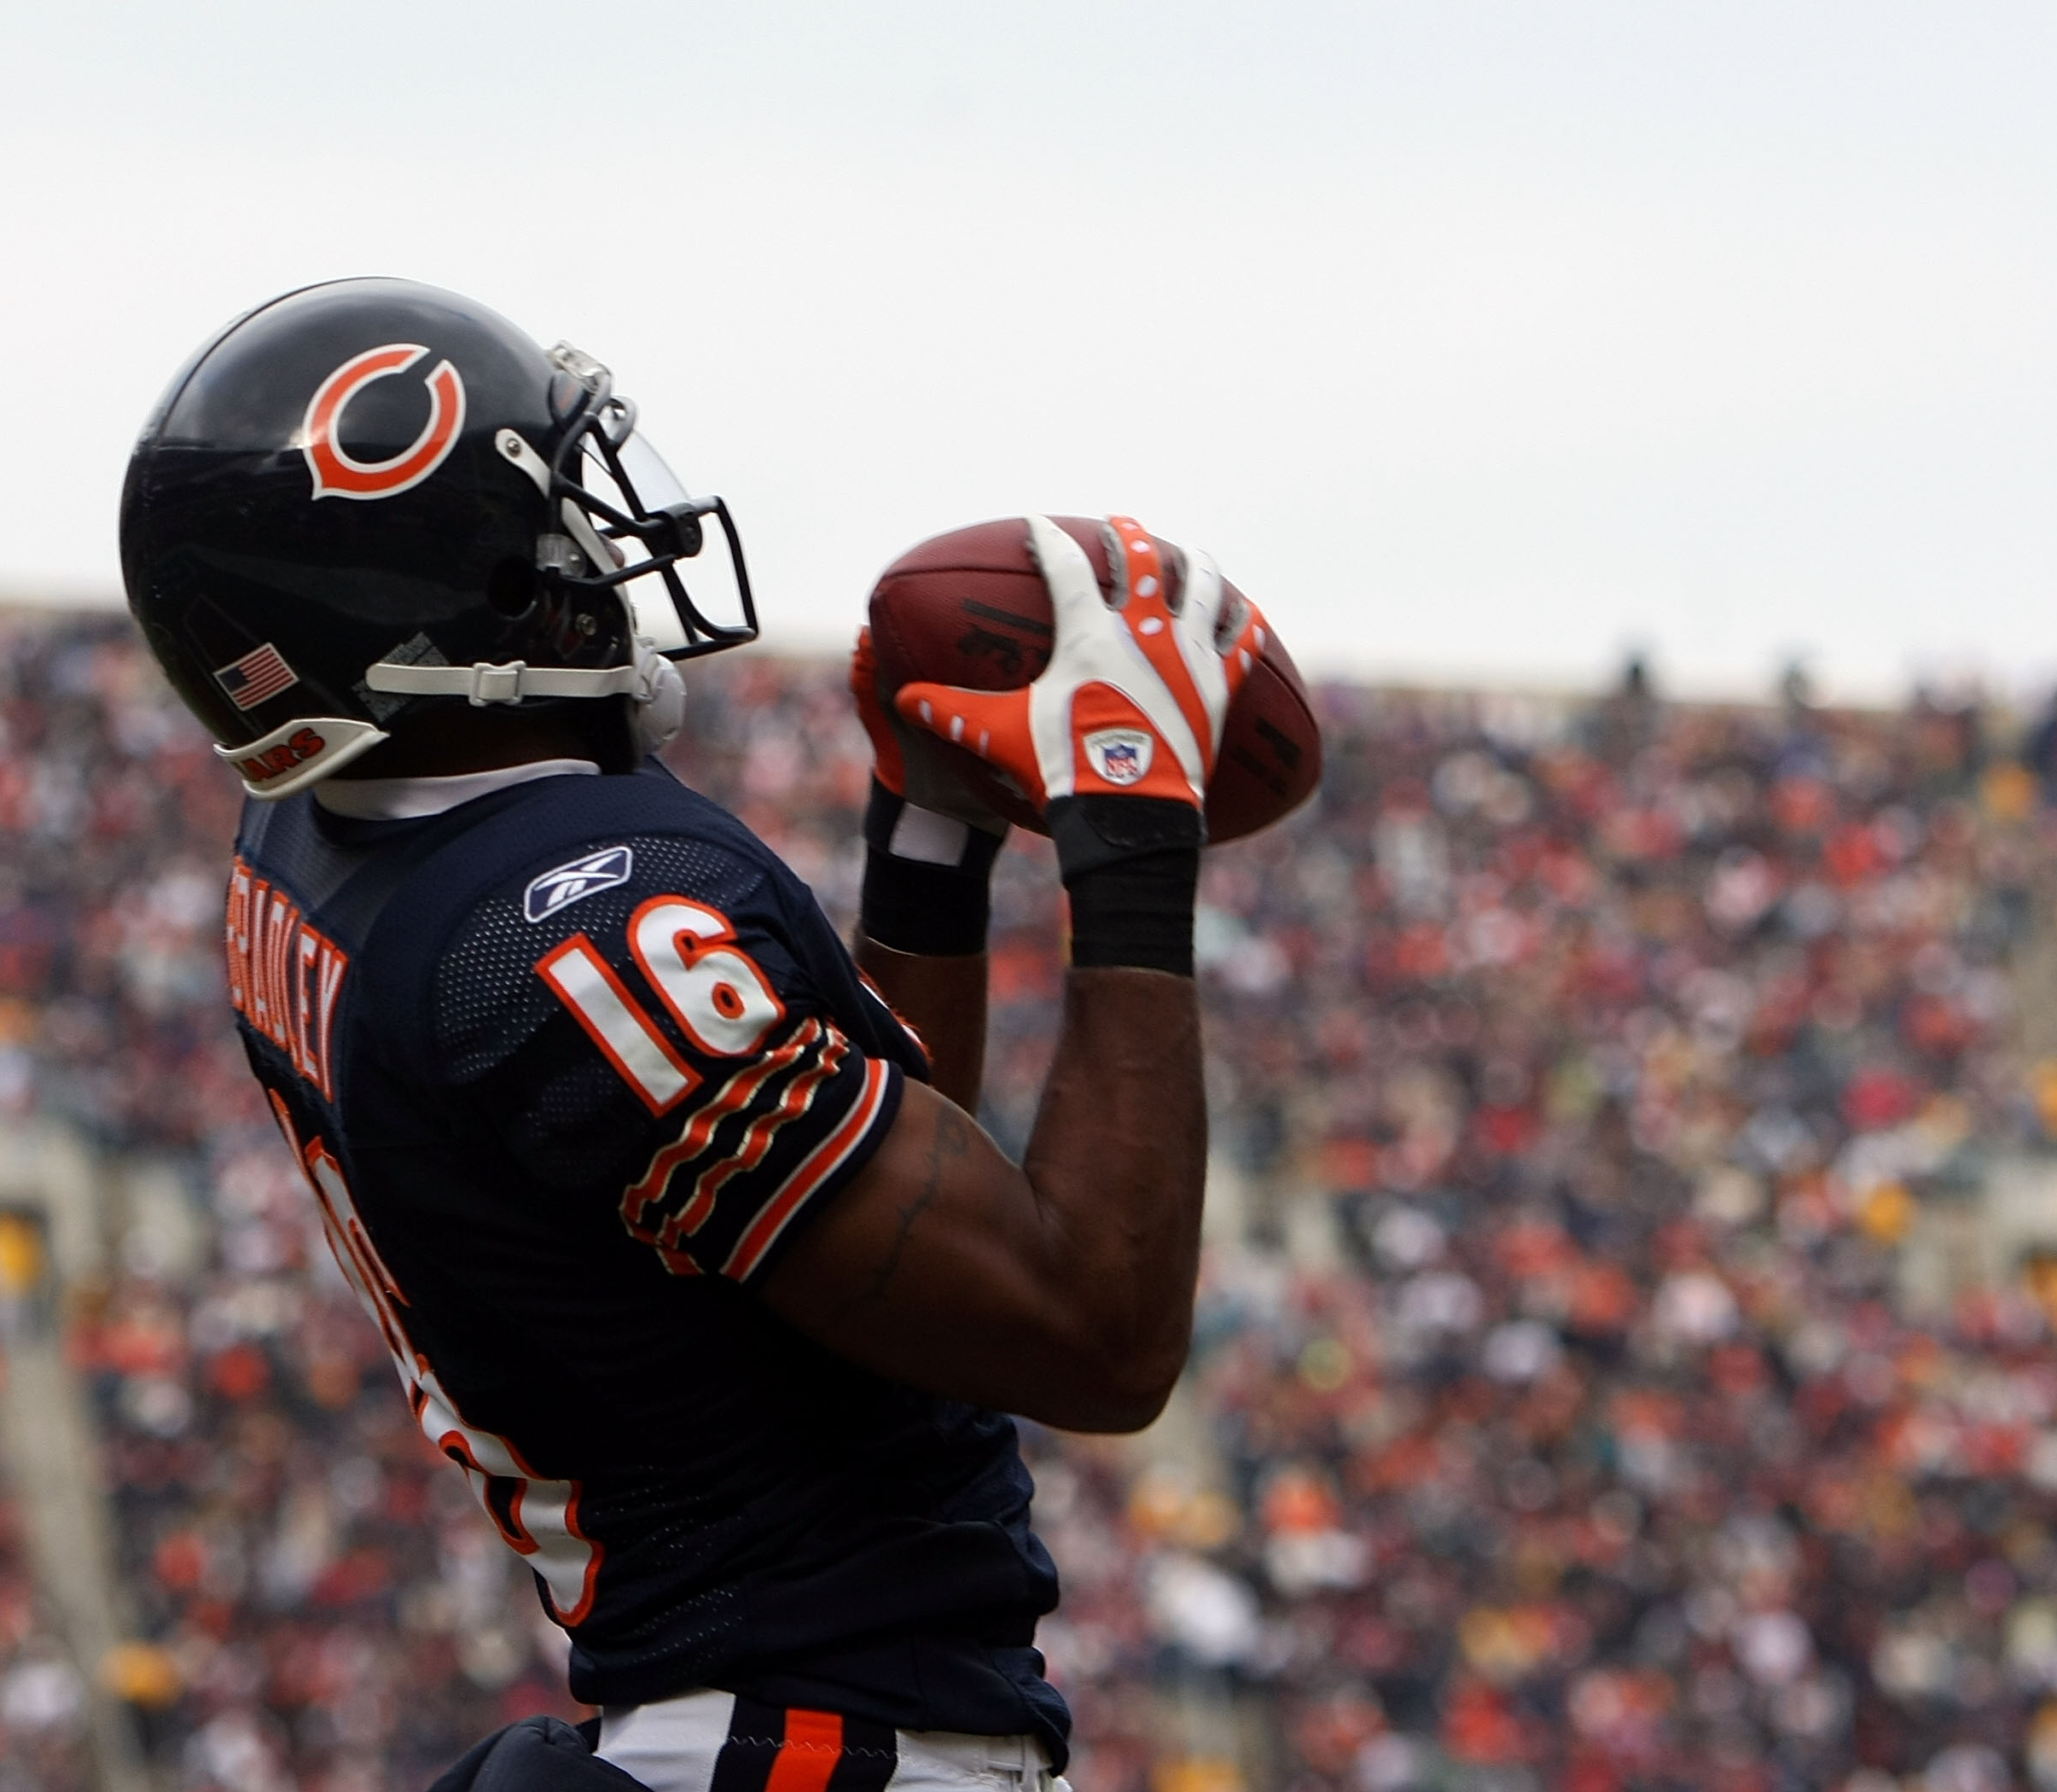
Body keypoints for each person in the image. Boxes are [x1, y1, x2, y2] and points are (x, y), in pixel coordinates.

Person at [118, 278, 1270, 1792]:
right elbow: (1097, 1338)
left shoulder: (320, 845)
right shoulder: (571, 927)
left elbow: (855, 1164)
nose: (602, 554)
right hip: (828, 1743)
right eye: (553, 524)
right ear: (449, 591)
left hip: (717, 1691)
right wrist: (1127, 828)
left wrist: (928, 837)